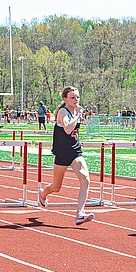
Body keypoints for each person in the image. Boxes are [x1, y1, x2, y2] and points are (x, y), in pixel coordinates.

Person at [38, 86, 94, 225]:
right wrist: (77, 115)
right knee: (56, 187)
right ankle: (43, 194)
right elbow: (68, 129)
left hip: (75, 151)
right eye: (72, 97)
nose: (76, 100)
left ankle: (80, 213)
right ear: (65, 99)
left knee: (85, 179)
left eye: (77, 97)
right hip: (62, 153)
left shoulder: (76, 112)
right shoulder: (63, 112)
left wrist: (78, 115)